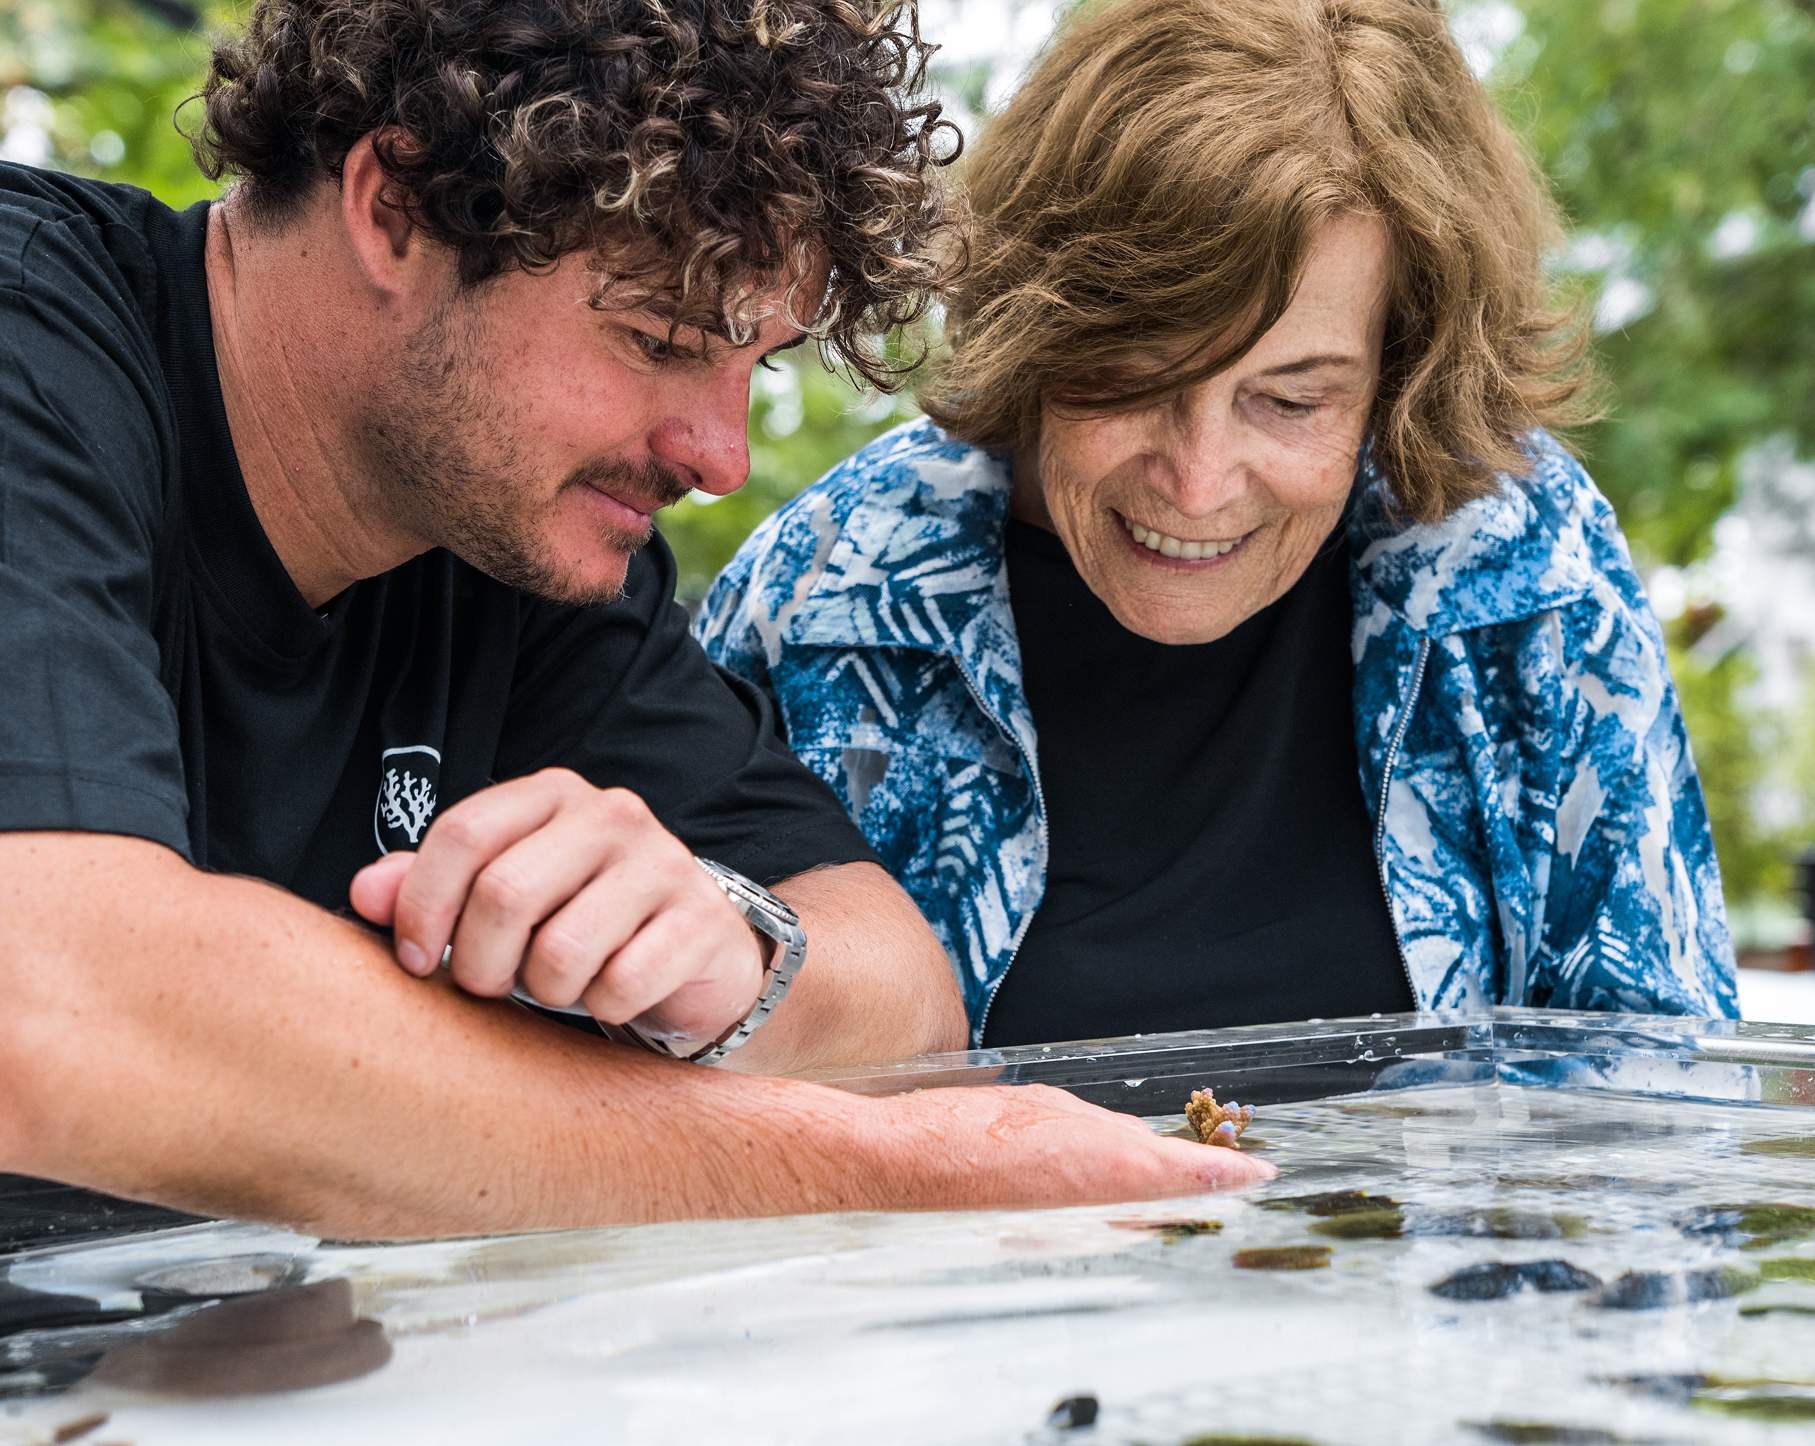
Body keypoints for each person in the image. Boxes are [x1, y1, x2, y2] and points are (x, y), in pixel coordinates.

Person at [0, 0, 1272, 1240]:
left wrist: (732, 957)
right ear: (393, 208)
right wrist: (880, 1165)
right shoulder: (35, 346)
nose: (719, 456)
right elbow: (53, 1012)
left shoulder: (506, 533)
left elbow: (908, 994)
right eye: (662, 339)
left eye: (753, 366)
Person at [698, 0, 1739, 1047]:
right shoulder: (828, 598)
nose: (1197, 486)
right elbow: (679, 1102)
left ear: (1400, 371)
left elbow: (1665, 1089)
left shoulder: (1517, 564)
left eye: (1291, 402)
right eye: (1133, 380)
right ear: (1035, 330)